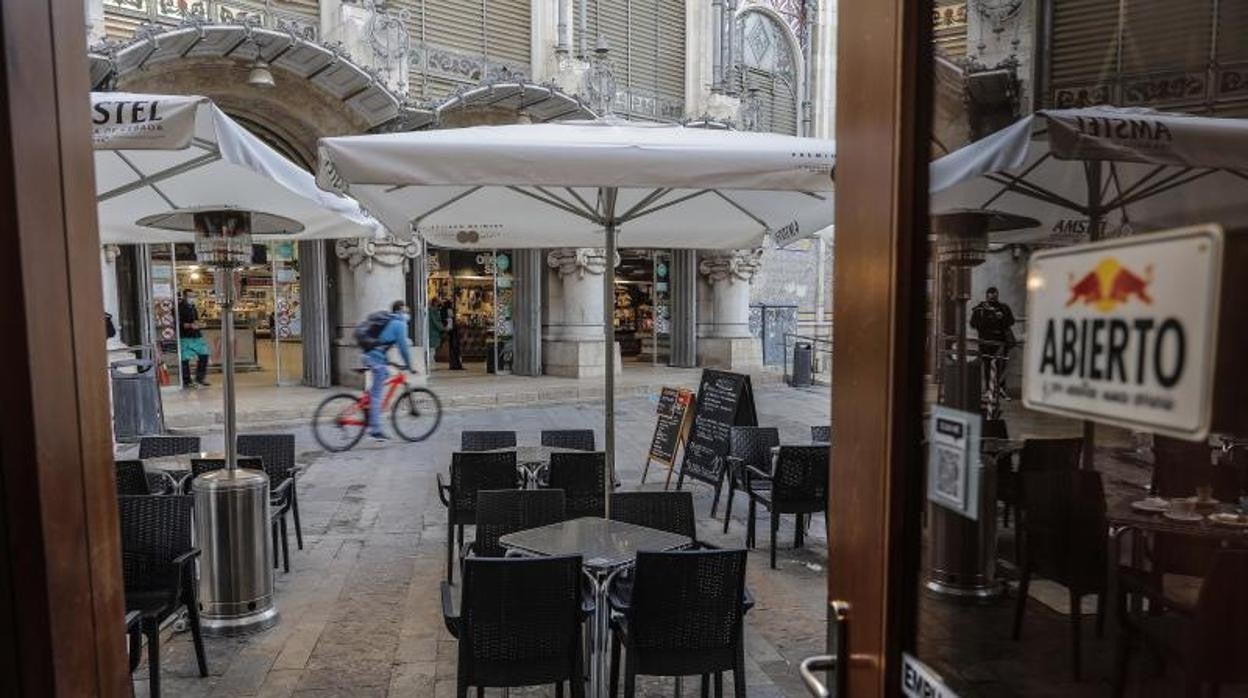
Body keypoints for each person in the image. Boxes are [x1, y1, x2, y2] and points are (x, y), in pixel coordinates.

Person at [362, 300, 416, 441]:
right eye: (405, 311)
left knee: (383, 376)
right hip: (374, 357)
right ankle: (375, 430)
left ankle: (368, 405)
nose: (407, 314)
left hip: (373, 355)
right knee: (377, 395)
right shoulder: (399, 324)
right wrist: (409, 365)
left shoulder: (391, 321)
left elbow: (384, 342)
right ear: (399, 311)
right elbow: (403, 348)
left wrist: (391, 362)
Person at [969, 286, 1016, 410]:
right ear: (987, 296)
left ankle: (1000, 389)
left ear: (997, 295)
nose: (993, 298)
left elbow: (1011, 321)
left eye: (995, 296)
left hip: (1001, 342)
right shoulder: (980, 308)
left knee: (1001, 366)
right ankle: (989, 389)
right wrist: (987, 319)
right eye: (991, 296)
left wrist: (1001, 317)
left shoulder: (1003, 308)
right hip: (986, 342)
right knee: (988, 366)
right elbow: (973, 324)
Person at [177, 289, 211, 389]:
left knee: (204, 354)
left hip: (196, 336)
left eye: (193, 296)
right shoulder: (179, 308)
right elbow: (178, 323)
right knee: (185, 359)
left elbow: (195, 320)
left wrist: (199, 323)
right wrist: (189, 325)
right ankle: (186, 381)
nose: (192, 298)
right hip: (185, 337)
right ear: (184, 296)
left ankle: (200, 378)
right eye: (190, 296)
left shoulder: (193, 307)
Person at [443, 298, 464, 370]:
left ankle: (455, 363)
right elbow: (450, 319)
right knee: (455, 347)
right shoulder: (449, 310)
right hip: (452, 331)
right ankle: (456, 363)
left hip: (451, 331)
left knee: (453, 347)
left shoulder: (444, 310)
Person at [427, 296, 447, 368]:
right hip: (433, 331)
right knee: (432, 348)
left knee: (433, 348)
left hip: (434, 331)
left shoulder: (434, 310)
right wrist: (442, 328)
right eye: (438, 302)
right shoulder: (433, 310)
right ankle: (431, 364)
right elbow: (435, 321)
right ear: (435, 302)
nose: (440, 303)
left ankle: (432, 363)